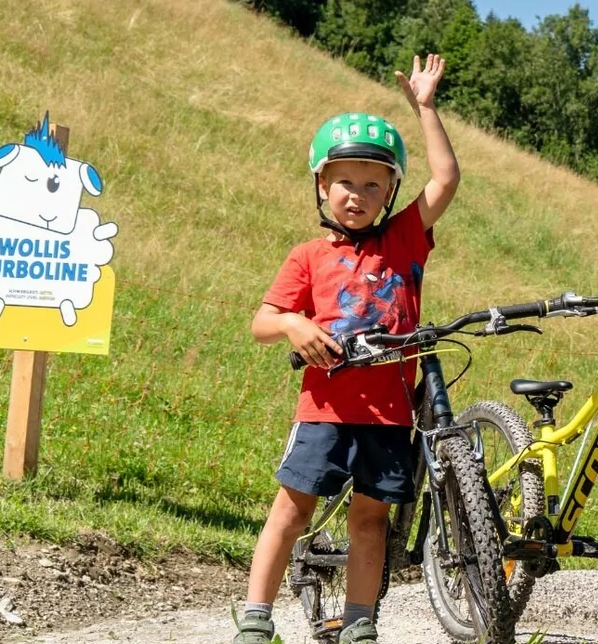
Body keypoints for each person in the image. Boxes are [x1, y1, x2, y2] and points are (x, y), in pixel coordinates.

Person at [232, 54, 458, 644]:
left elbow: (446, 181)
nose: (356, 195)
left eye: (372, 184)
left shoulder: (406, 236)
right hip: (323, 411)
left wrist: (425, 108)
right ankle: (256, 615)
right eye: (344, 182)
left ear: (389, 193)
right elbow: (263, 320)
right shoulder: (308, 255)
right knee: (292, 509)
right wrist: (294, 326)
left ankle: (360, 623)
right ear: (321, 186)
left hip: (389, 412)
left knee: (370, 520)